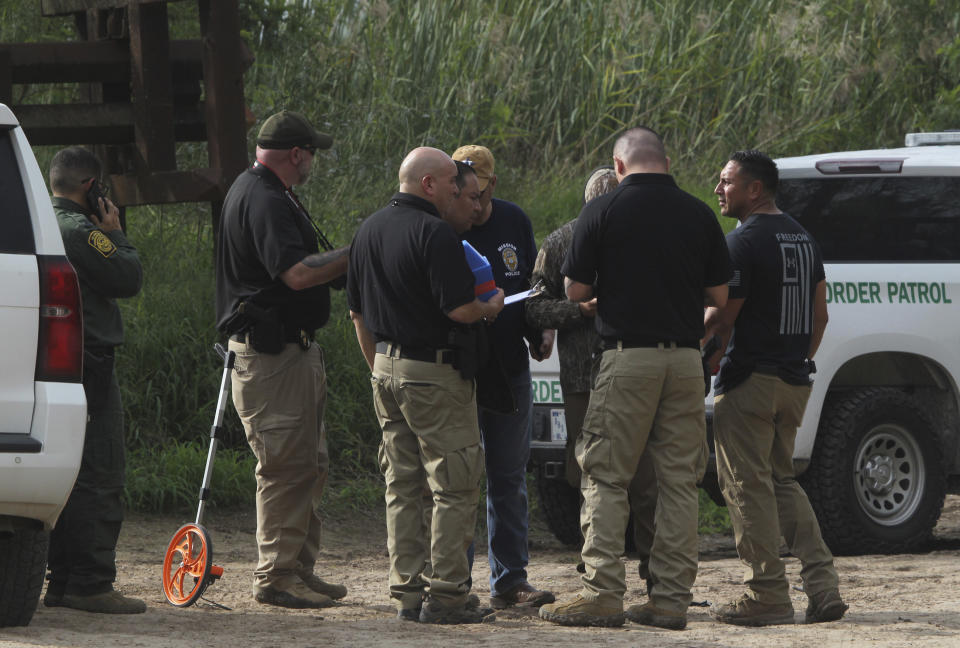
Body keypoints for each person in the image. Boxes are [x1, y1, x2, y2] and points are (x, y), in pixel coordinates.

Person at [539, 127, 731, 630]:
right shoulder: (698, 213)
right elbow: (719, 295)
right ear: (666, 162)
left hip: (628, 357)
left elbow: (577, 288)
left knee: (605, 472)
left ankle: (602, 592)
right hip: (686, 361)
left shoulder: (599, 211)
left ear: (618, 167)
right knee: (678, 481)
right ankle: (670, 600)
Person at [347, 147, 504, 624]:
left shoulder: (368, 229)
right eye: (455, 187)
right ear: (429, 184)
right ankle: (449, 595)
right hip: (434, 374)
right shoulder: (434, 233)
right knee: (454, 485)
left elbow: (357, 314)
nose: (462, 195)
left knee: (402, 484)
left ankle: (406, 593)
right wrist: (492, 304)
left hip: (386, 368)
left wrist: (378, 366)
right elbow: (460, 309)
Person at [705, 150, 847, 626]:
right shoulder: (804, 238)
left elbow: (724, 317)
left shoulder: (741, 242)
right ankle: (823, 586)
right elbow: (820, 314)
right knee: (782, 481)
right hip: (792, 380)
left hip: (750, 382)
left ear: (755, 189)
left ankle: (766, 592)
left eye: (726, 182)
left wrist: (700, 343)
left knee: (746, 485)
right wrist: (799, 360)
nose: (719, 190)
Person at [215, 110, 350, 609]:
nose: (313, 161)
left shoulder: (263, 192)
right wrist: (356, 253)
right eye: (312, 153)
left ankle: (297, 567)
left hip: (290, 353)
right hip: (271, 358)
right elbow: (294, 274)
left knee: (309, 463)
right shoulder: (264, 198)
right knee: (285, 468)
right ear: (297, 154)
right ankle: (275, 576)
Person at [525, 167, 659, 590]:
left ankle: (650, 565)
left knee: (639, 473)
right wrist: (577, 312)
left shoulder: (642, 238)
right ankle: (600, 560)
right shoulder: (562, 241)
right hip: (586, 377)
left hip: (631, 371)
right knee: (589, 469)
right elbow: (533, 307)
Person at [451, 144, 556, 609]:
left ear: (492, 184)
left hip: (510, 366)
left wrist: (540, 331)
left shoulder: (514, 221)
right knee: (460, 477)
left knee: (508, 477)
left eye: (478, 186)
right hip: (460, 370)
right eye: (463, 186)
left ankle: (510, 581)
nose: (472, 198)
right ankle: (457, 582)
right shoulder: (444, 225)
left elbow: (533, 287)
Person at [45, 146, 145, 614]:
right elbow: (128, 276)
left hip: (53, 364)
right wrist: (117, 235)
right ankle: (90, 582)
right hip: (91, 363)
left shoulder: (39, 221)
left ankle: (63, 579)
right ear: (91, 187)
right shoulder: (82, 232)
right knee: (99, 471)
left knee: (64, 473)